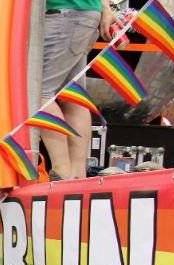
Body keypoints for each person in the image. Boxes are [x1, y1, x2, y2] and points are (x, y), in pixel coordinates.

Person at [41, 0, 114, 179]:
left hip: (63, 14)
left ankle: (62, 171)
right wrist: (104, 6)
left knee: (38, 95)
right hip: (84, 13)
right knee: (73, 96)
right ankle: (77, 175)